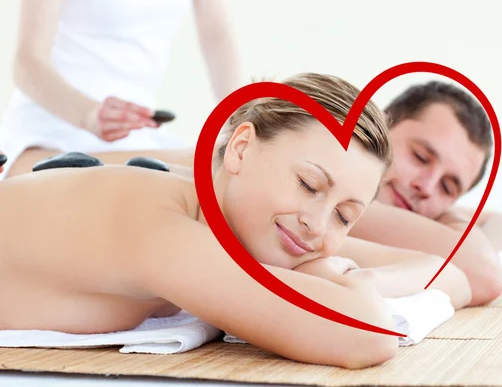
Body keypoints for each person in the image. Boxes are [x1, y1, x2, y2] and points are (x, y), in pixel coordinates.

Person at [0, 74, 472, 369]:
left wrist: (341, 274)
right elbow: (365, 336)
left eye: (346, 217)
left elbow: (448, 271)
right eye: (309, 185)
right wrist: (333, 279)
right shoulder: (159, 221)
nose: (316, 224)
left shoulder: (250, 229)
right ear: (242, 148)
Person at [0, 0, 242, 179]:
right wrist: (89, 115)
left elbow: (217, 36)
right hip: (51, 130)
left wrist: (239, 119)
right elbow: (27, 62)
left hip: (136, 136)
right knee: (201, 171)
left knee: (224, 168)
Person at [350, 81, 502, 306]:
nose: (427, 187)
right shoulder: (339, 202)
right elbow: (485, 275)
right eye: (420, 157)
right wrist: (454, 232)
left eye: (447, 188)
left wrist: (451, 219)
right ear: (378, 126)